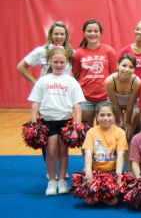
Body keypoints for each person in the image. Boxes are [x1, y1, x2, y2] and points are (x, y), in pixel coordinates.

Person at [17, 21, 74, 176]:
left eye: (62, 34)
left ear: (66, 35)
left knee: (62, 137)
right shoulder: (41, 51)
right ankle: (50, 170)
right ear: (51, 35)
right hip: (47, 99)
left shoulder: (71, 52)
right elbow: (21, 66)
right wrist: (36, 83)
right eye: (56, 33)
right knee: (47, 134)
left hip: (63, 99)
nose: (59, 36)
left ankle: (62, 170)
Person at [28, 48, 85, 195]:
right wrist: (34, 121)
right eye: (56, 62)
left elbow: (77, 103)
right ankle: (52, 181)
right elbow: (35, 101)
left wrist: (77, 122)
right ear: (50, 62)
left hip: (65, 121)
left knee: (63, 152)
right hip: (48, 121)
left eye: (62, 62)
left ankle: (62, 180)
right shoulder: (43, 80)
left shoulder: (71, 81)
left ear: (67, 63)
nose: (59, 64)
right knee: (51, 152)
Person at [73, 19, 118, 127]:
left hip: (105, 98)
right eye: (89, 31)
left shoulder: (109, 51)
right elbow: (76, 75)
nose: (92, 34)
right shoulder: (78, 53)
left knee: (104, 131)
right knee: (85, 131)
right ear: (84, 33)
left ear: (100, 33)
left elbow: (114, 75)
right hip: (85, 99)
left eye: (95, 31)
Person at [82, 102, 128, 205]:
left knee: (112, 202)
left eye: (109, 115)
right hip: (96, 172)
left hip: (111, 172)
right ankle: (99, 193)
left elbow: (120, 155)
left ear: (113, 115)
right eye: (102, 115)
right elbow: (88, 153)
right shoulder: (91, 132)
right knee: (89, 201)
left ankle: (106, 194)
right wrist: (88, 172)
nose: (105, 118)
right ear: (96, 116)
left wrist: (118, 175)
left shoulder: (120, 132)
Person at [105, 54, 141, 140]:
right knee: (116, 129)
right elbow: (114, 104)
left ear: (134, 69)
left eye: (131, 67)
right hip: (114, 104)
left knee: (129, 131)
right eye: (124, 65)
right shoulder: (109, 81)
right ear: (118, 65)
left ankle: (131, 148)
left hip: (132, 105)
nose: (126, 69)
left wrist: (127, 122)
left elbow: (130, 105)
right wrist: (121, 121)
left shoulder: (137, 82)